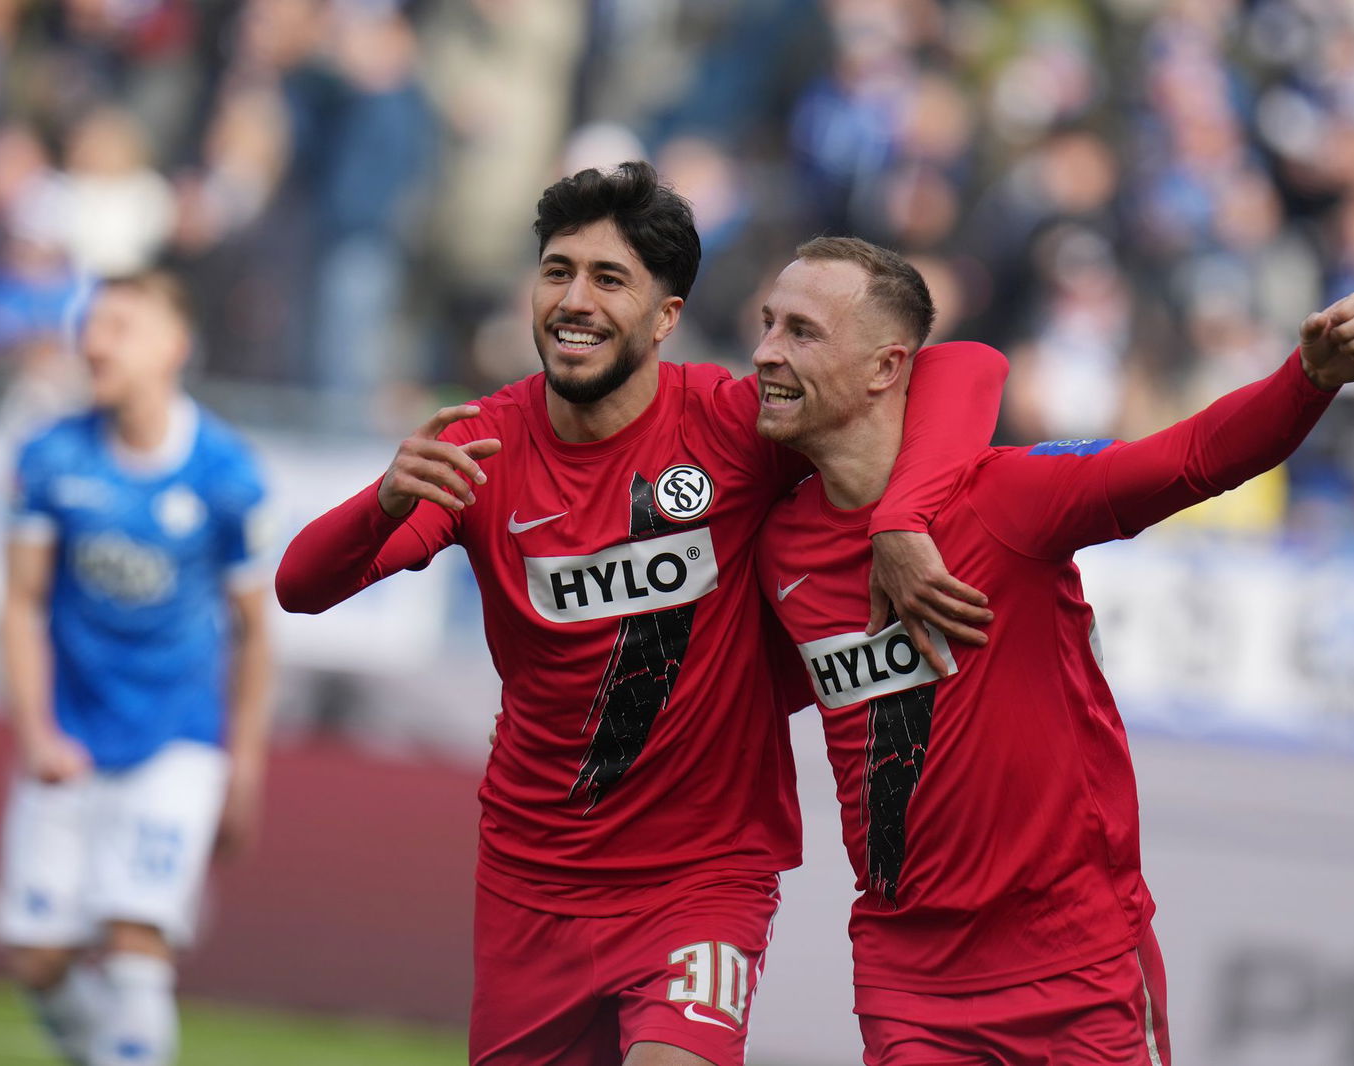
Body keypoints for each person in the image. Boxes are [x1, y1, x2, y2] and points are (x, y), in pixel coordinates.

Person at [274, 161, 1002, 1066]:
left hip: (702, 878)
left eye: (609, 279)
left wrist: (901, 518)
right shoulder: (479, 447)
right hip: (532, 877)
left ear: (665, 316)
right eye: (556, 271)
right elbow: (300, 586)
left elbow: (965, 368)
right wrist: (378, 503)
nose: (574, 299)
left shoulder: (735, 427)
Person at [752, 235, 1354, 1066]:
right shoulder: (780, 549)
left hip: (1076, 967)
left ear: (883, 369)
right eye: (767, 323)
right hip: (908, 979)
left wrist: (1306, 382)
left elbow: (1192, 459)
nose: (764, 350)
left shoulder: (1012, 501)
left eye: (801, 331)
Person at [0, 270, 274, 1066]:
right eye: (92, 323)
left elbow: (257, 632)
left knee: (134, 940)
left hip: (177, 738)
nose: (95, 340)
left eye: (120, 325)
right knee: (39, 961)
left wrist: (243, 764)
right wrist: (36, 730)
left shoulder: (228, 474)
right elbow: (20, 602)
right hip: (74, 734)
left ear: (172, 346)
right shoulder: (48, 458)